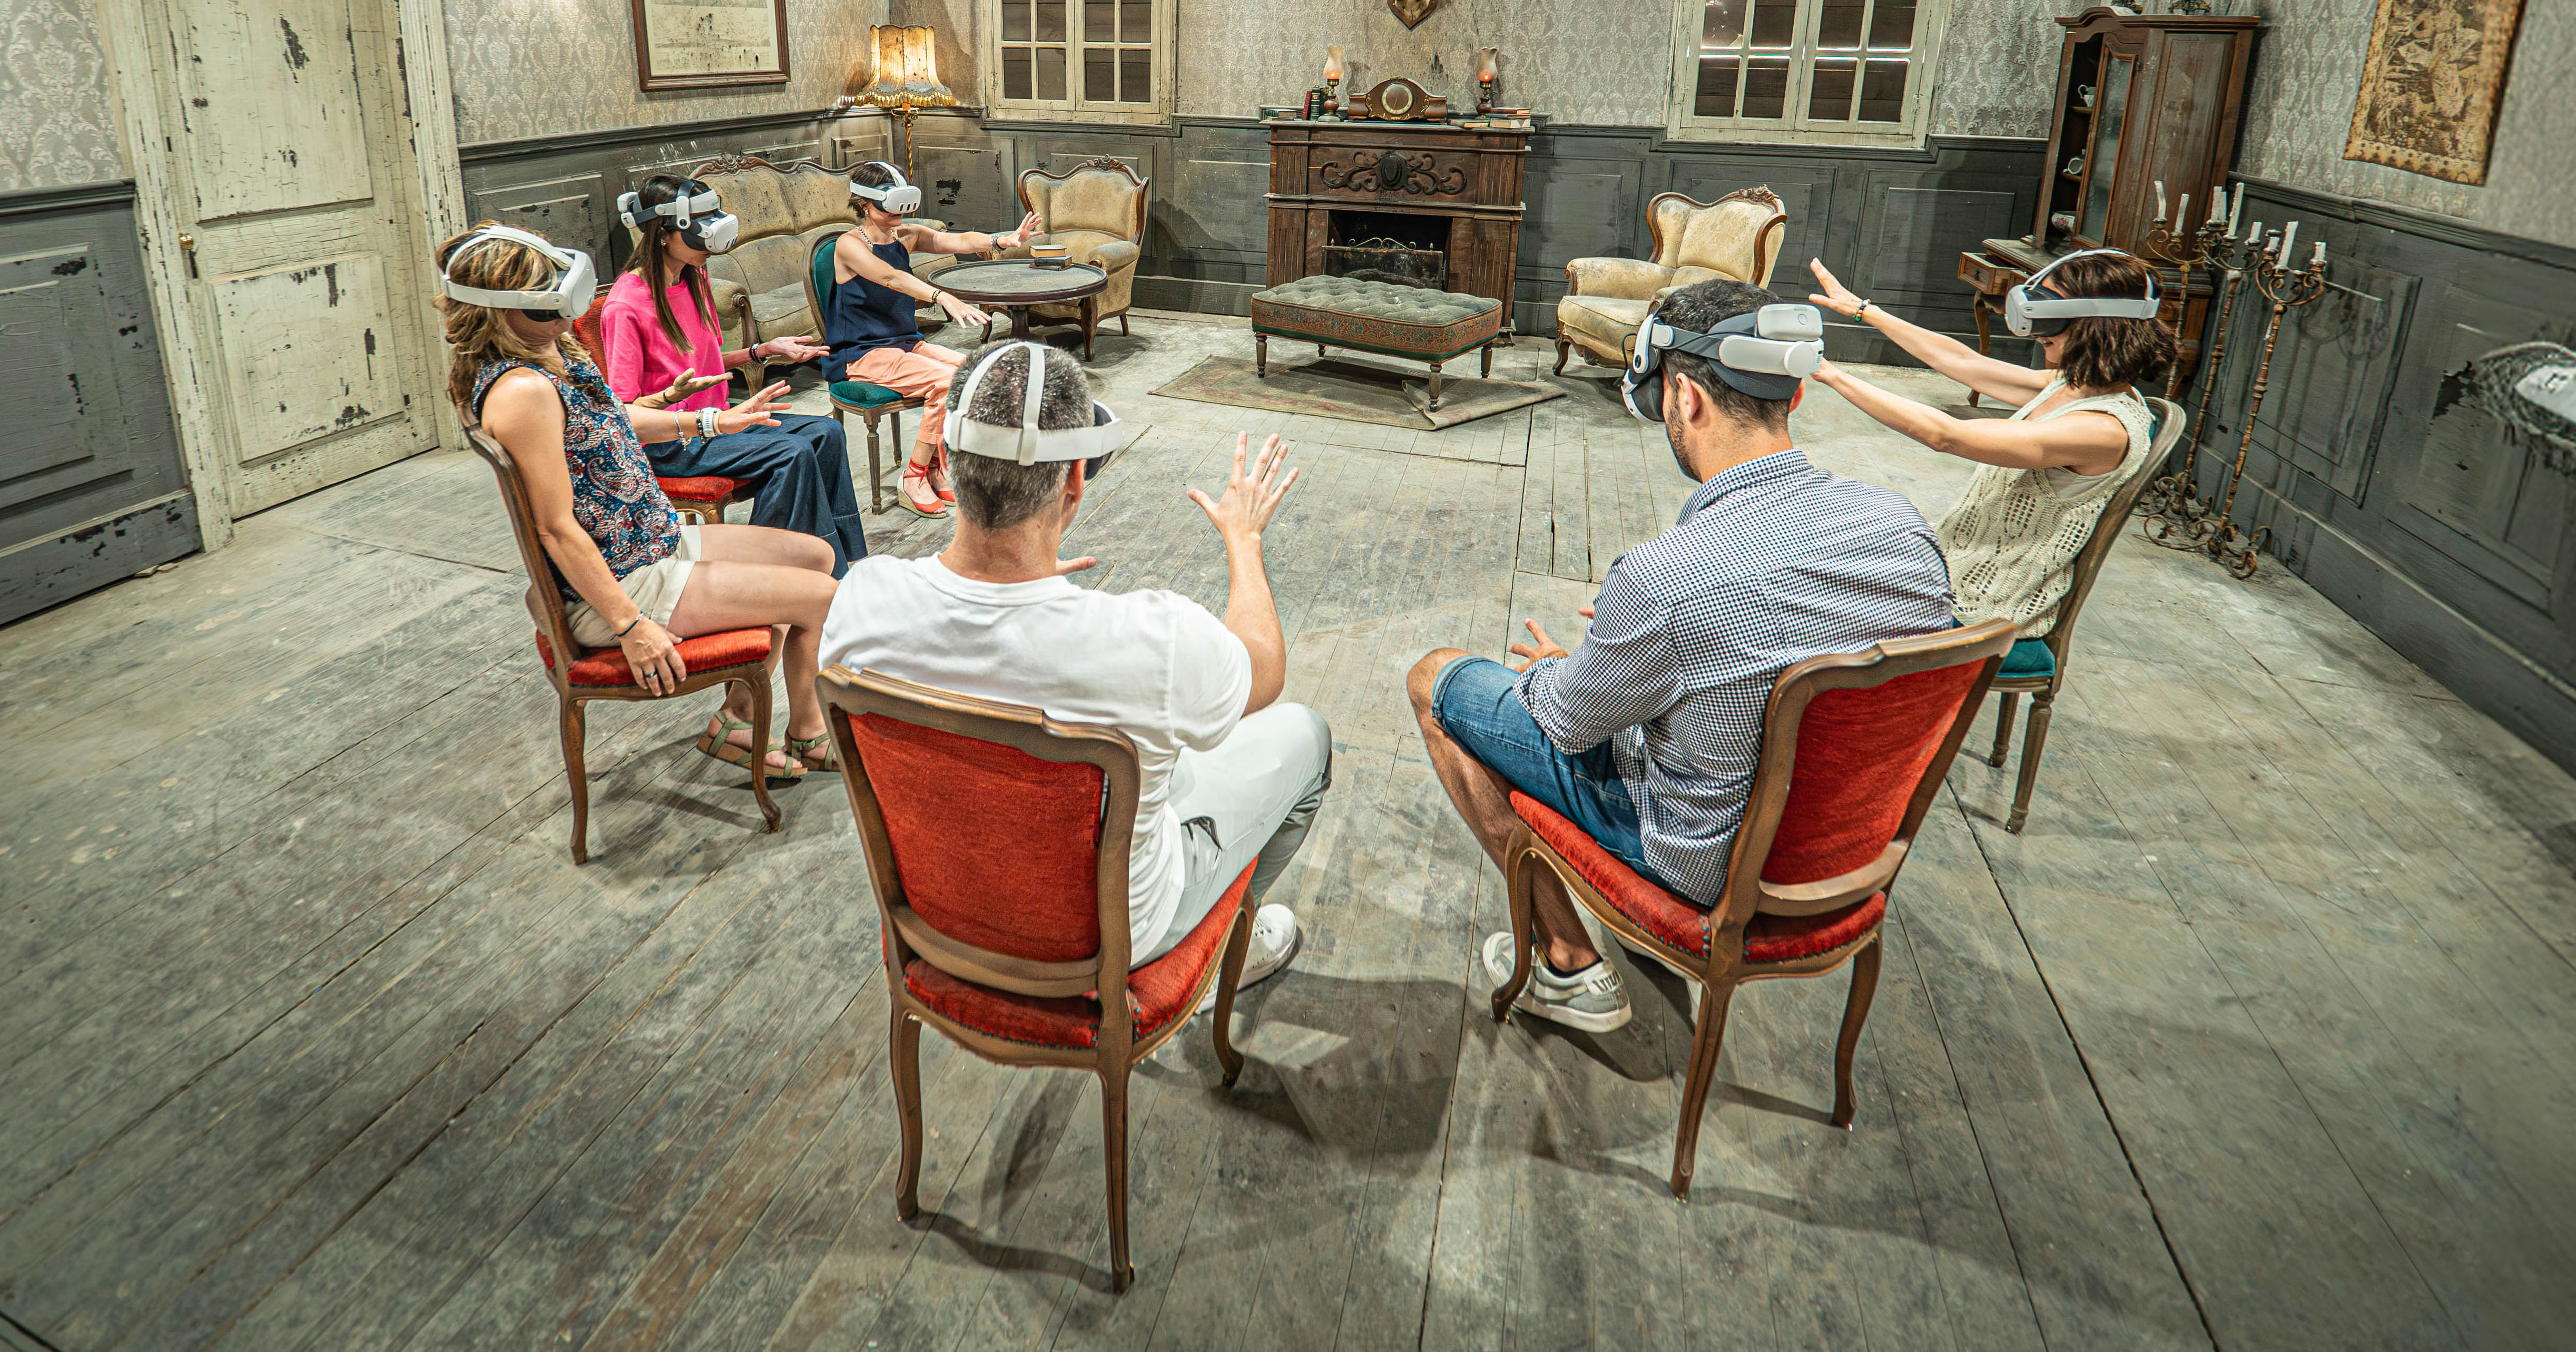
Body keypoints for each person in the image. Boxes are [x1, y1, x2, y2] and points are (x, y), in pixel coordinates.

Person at [1407, 280, 1953, 1033]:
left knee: (1436, 680)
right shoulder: (1904, 529)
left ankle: (1567, 962)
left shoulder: (1665, 579)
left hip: (1701, 865)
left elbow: (1565, 724)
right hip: (1840, 855)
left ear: (1685, 396)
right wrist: (1634, 655)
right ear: (1789, 397)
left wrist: (1571, 668)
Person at [823, 340, 1329, 994]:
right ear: (1074, 481)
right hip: (1112, 936)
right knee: (1304, 735)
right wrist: (1244, 540)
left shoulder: (864, 598)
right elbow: (1262, 670)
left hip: (939, 913)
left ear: (946, 459)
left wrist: (1016, 594)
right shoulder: (1148, 640)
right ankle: (1225, 949)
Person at [438, 222, 839, 779]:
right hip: (622, 583)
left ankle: (738, 724)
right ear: (493, 313)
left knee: (815, 557)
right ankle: (807, 733)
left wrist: (712, 420)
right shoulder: (522, 391)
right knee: (822, 595)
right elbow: (555, 530)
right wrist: (631, 628)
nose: (561, 320)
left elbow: (611, 419)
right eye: (545, 310)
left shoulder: (546, 355)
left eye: (562, 304)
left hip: (649, 543)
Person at [1803, 249, 2168, 678]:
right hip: (1956, 572)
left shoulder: (2101, 430)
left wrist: (1828, 372)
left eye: (2049, 316)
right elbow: (1964, 363)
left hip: (1988, 610)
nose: (2035, 331)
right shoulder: (2072, 386)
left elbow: (1947, 436)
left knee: (1811, 608)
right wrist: (1865, 311)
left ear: (2098, 323)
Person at [601, 174, 866, 577]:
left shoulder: (695, 277)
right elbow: (626, 414)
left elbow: (701, 367)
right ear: (662, 234)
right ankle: (767, 575)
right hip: (673, 442)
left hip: (718, 421)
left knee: (827, 434)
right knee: (790, 454)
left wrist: (763, 350)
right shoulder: (626, 305)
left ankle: (844, 564)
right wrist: (689, 410)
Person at [824, 159, 1044, 517]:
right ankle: (912, 477)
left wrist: (1002, 239)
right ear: (865, 203)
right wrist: (942, 297)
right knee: (946, 382)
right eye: (889, 205)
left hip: (905, 343)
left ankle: (936, 465)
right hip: (862, 352)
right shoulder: (849, 246)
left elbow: (952, 239)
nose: (900, 214)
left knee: (975, 371)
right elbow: (890, 277)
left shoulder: (905, 235)